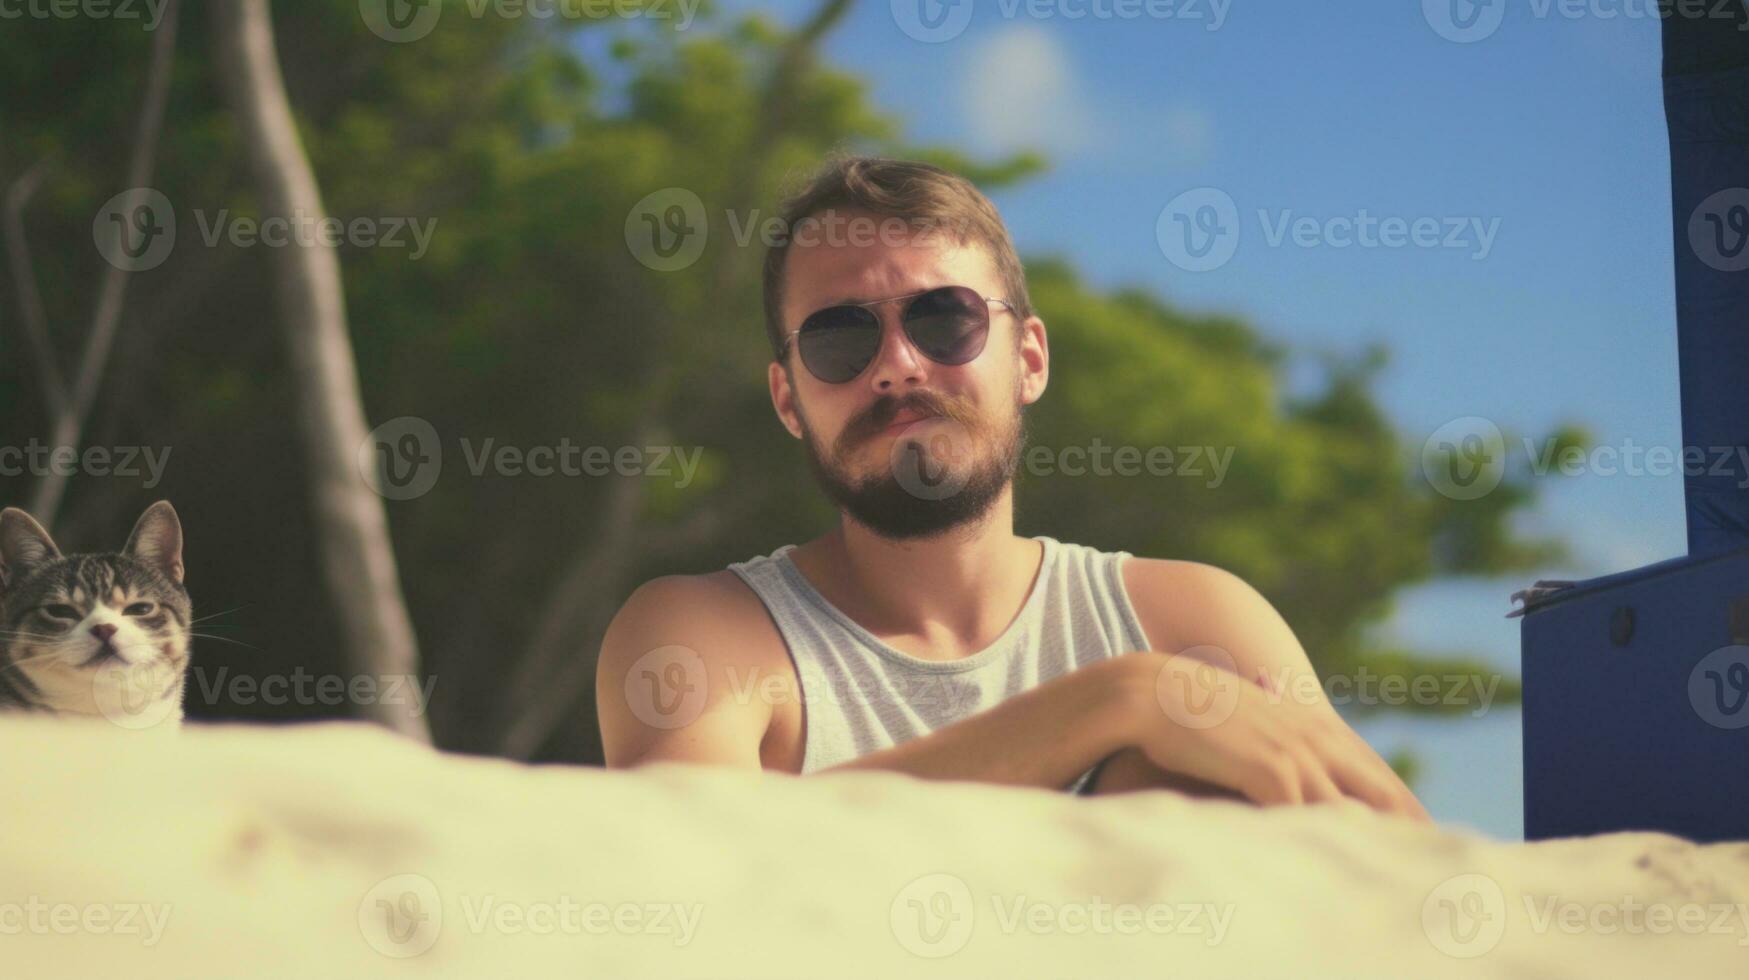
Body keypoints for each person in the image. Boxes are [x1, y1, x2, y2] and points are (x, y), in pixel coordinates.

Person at [596, 155, 1430, 820]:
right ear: (788, 398)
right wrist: (1118, 699)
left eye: (942, 318)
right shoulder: (707, 634)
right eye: (839, 338)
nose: (897, 365)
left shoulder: (1192, 618)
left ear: (1028, 357)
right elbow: (692, 859)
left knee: (1178, 786)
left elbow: (1383, 859)